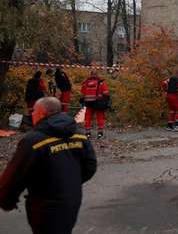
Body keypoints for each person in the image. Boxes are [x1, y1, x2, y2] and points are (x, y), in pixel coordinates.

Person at [0, 97, 97, 234]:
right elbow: (90, 165)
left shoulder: (33, 141)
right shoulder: (79, 135)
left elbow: (15, 175)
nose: (31, 114)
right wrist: (71, 182)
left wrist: (6, 200)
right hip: (71, 200)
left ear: (43, 113)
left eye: (33, 111)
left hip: (44, 205)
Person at [80, 70, 110, 139]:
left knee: (88, 118)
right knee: (100, 117)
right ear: (97, 75)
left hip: (88, 103)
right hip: (98, 103)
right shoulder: (101, 82)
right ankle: (100, 133)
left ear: (90, 75)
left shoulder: (85, 82)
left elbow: (82, 92)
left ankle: (88, 133)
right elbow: (106, 93)